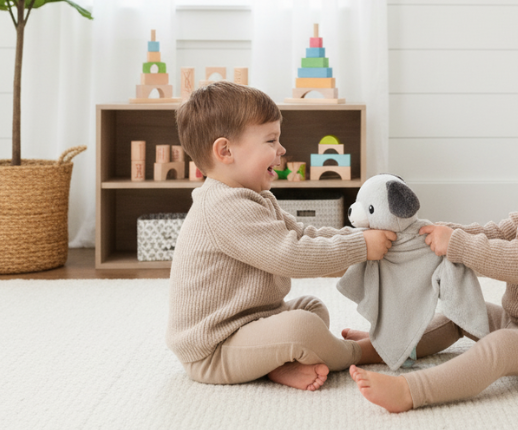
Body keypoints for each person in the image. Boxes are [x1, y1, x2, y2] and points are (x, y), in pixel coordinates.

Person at [347, 69, 518, 412]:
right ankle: (385, 347)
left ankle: (412, 390)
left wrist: (459, 246)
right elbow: (500, 231)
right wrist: (436, 231)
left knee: (504, 348)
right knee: (460, 311)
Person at [166, 80, 395, 392]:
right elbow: (293, 256)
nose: (282, 150)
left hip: (252, 322)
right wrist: (360, 247)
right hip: (215, 349)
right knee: (302, 328)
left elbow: (305, 234)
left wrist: (359, 235)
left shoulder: (253, 197)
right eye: (271, 140)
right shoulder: (223, 206)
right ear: (225, 151)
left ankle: (276, 364)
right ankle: (361, 352)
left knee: (311, 309)